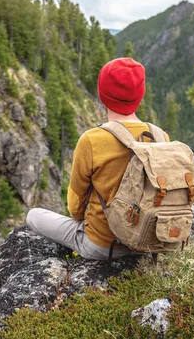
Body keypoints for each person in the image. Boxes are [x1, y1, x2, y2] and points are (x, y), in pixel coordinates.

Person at [26, 58, 170, 260]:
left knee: (33, 216)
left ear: (102, 95)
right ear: (140, 94)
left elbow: (76, 209)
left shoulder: (92, 140)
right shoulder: (161, 137)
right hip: (151, 243)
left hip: (103, 246)